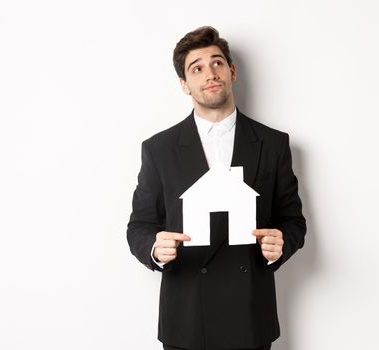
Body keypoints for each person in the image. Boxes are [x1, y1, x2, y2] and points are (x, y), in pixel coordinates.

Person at [127, 26, 306, 350]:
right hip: (187, 319)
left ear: (232, 71)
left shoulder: (273, 143)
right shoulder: (159, 149)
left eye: (217, 62)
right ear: (184, 84)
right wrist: (154, 248)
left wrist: (282, 244)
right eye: (196, 68)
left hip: (250, 317)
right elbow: (139, 225)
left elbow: (294, 221)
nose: (209, 73)